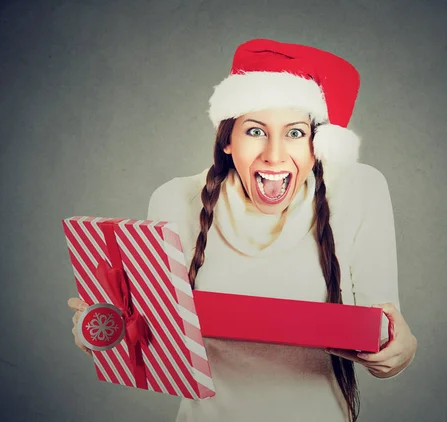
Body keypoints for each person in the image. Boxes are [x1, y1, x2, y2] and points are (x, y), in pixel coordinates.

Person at [67, 38, 417, 422]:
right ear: (228, 140)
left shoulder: (358, 191)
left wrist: (399, 351)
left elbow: (385, 331)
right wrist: (106, 329)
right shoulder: (175, 201)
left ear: (317, 145)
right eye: (255, 131)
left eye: (296, 133)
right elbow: (150, 341)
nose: (274, 153)